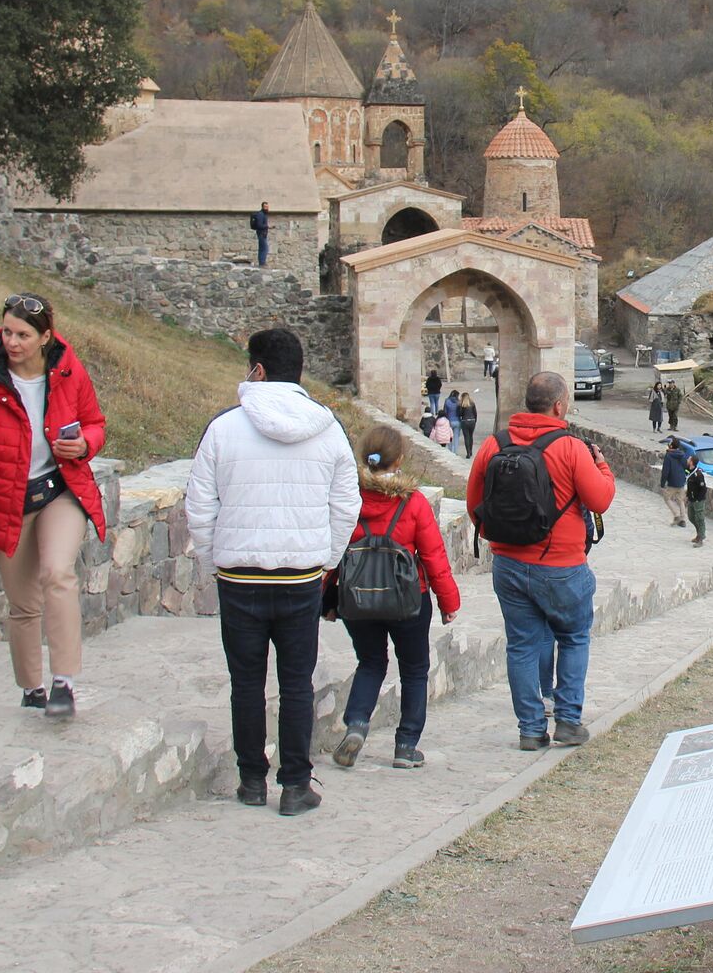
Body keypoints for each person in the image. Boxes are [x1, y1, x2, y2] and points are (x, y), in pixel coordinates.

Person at [186, 328, 359, 816]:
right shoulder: (328, 429)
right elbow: (346, 505)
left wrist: (212, 562)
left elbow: (200, 505)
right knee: (296, 682)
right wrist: (325, 561)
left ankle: (251, 781)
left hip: (239, 575)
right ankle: (296, 785)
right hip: (300, 576)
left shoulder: (224, 428)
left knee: (246, 682)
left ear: (257, 370)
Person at [0, 293, 107, 721]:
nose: (11, 342)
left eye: (22, 335)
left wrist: (85, 443)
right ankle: (31, 687)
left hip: (60, 490)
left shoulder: (68, 371)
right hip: (8, 500)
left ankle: (64, 682)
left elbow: (95, 422)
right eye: (7, 332)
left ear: (45, 337)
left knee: (58, 573)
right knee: (23, 603)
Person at [466, 371, 615, 751]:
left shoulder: (494, 444)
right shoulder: (570, 448)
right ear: (559, 406)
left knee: (521, 645)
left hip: (508, 565)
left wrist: (505, 543)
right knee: (573, 637)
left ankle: (531, 729)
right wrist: (602, 466)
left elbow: (474, 505)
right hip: (562, 565)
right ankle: (567, 720)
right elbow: (599, 501)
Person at [329, 423, 460, 771]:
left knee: (371, 662)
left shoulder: (349, 500)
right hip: (408, 600)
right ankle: (406, 746)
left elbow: (332, 552)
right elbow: (434, 556)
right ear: (399, 459)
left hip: (358, 600)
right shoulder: (413, 502)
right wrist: (449, 603)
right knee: (414, 670)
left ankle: (357, 724)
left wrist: (326, 602)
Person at [658, 436, 689, 527]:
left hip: (672, 481)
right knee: (681, 500)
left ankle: (676, 515)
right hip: (681, 480)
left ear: (671, 446)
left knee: (667, 498)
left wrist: (662, 483)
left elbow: (665, 471)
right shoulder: (682, 455)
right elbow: (685, 466)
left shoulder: (668, 456)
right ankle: (683, 519)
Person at [685, 452, 708, 547]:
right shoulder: (689, 471)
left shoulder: (698, 474)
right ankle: (699, 533)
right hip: (691, 499)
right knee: (691, 517)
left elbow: (703, 488)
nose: (687, 460)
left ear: (691, 462)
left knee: (699, 518)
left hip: (698, 500)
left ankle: (701, 538)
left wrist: (698, 499)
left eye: (688, 459)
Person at [458, 392, 479, 458]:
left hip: (465, 421)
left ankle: (468, 453)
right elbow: (475, 413)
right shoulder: (472, 404)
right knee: (471, 436)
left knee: (466, 437)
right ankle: (471, 450)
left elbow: (460, 414)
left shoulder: (462, 405)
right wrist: (475, 420)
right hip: (472, 421)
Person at [250, 201, 270, 267]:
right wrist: (267, 226)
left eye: (267, 207)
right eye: (265, 207)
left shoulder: (264, 214)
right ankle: (262, 263)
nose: (266, 208)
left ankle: (262, 262)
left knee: (263, 248)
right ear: (262, 207)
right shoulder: (261, 214)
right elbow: (259, 225)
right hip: (261, 233)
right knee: (264, 248)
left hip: (263, 234)